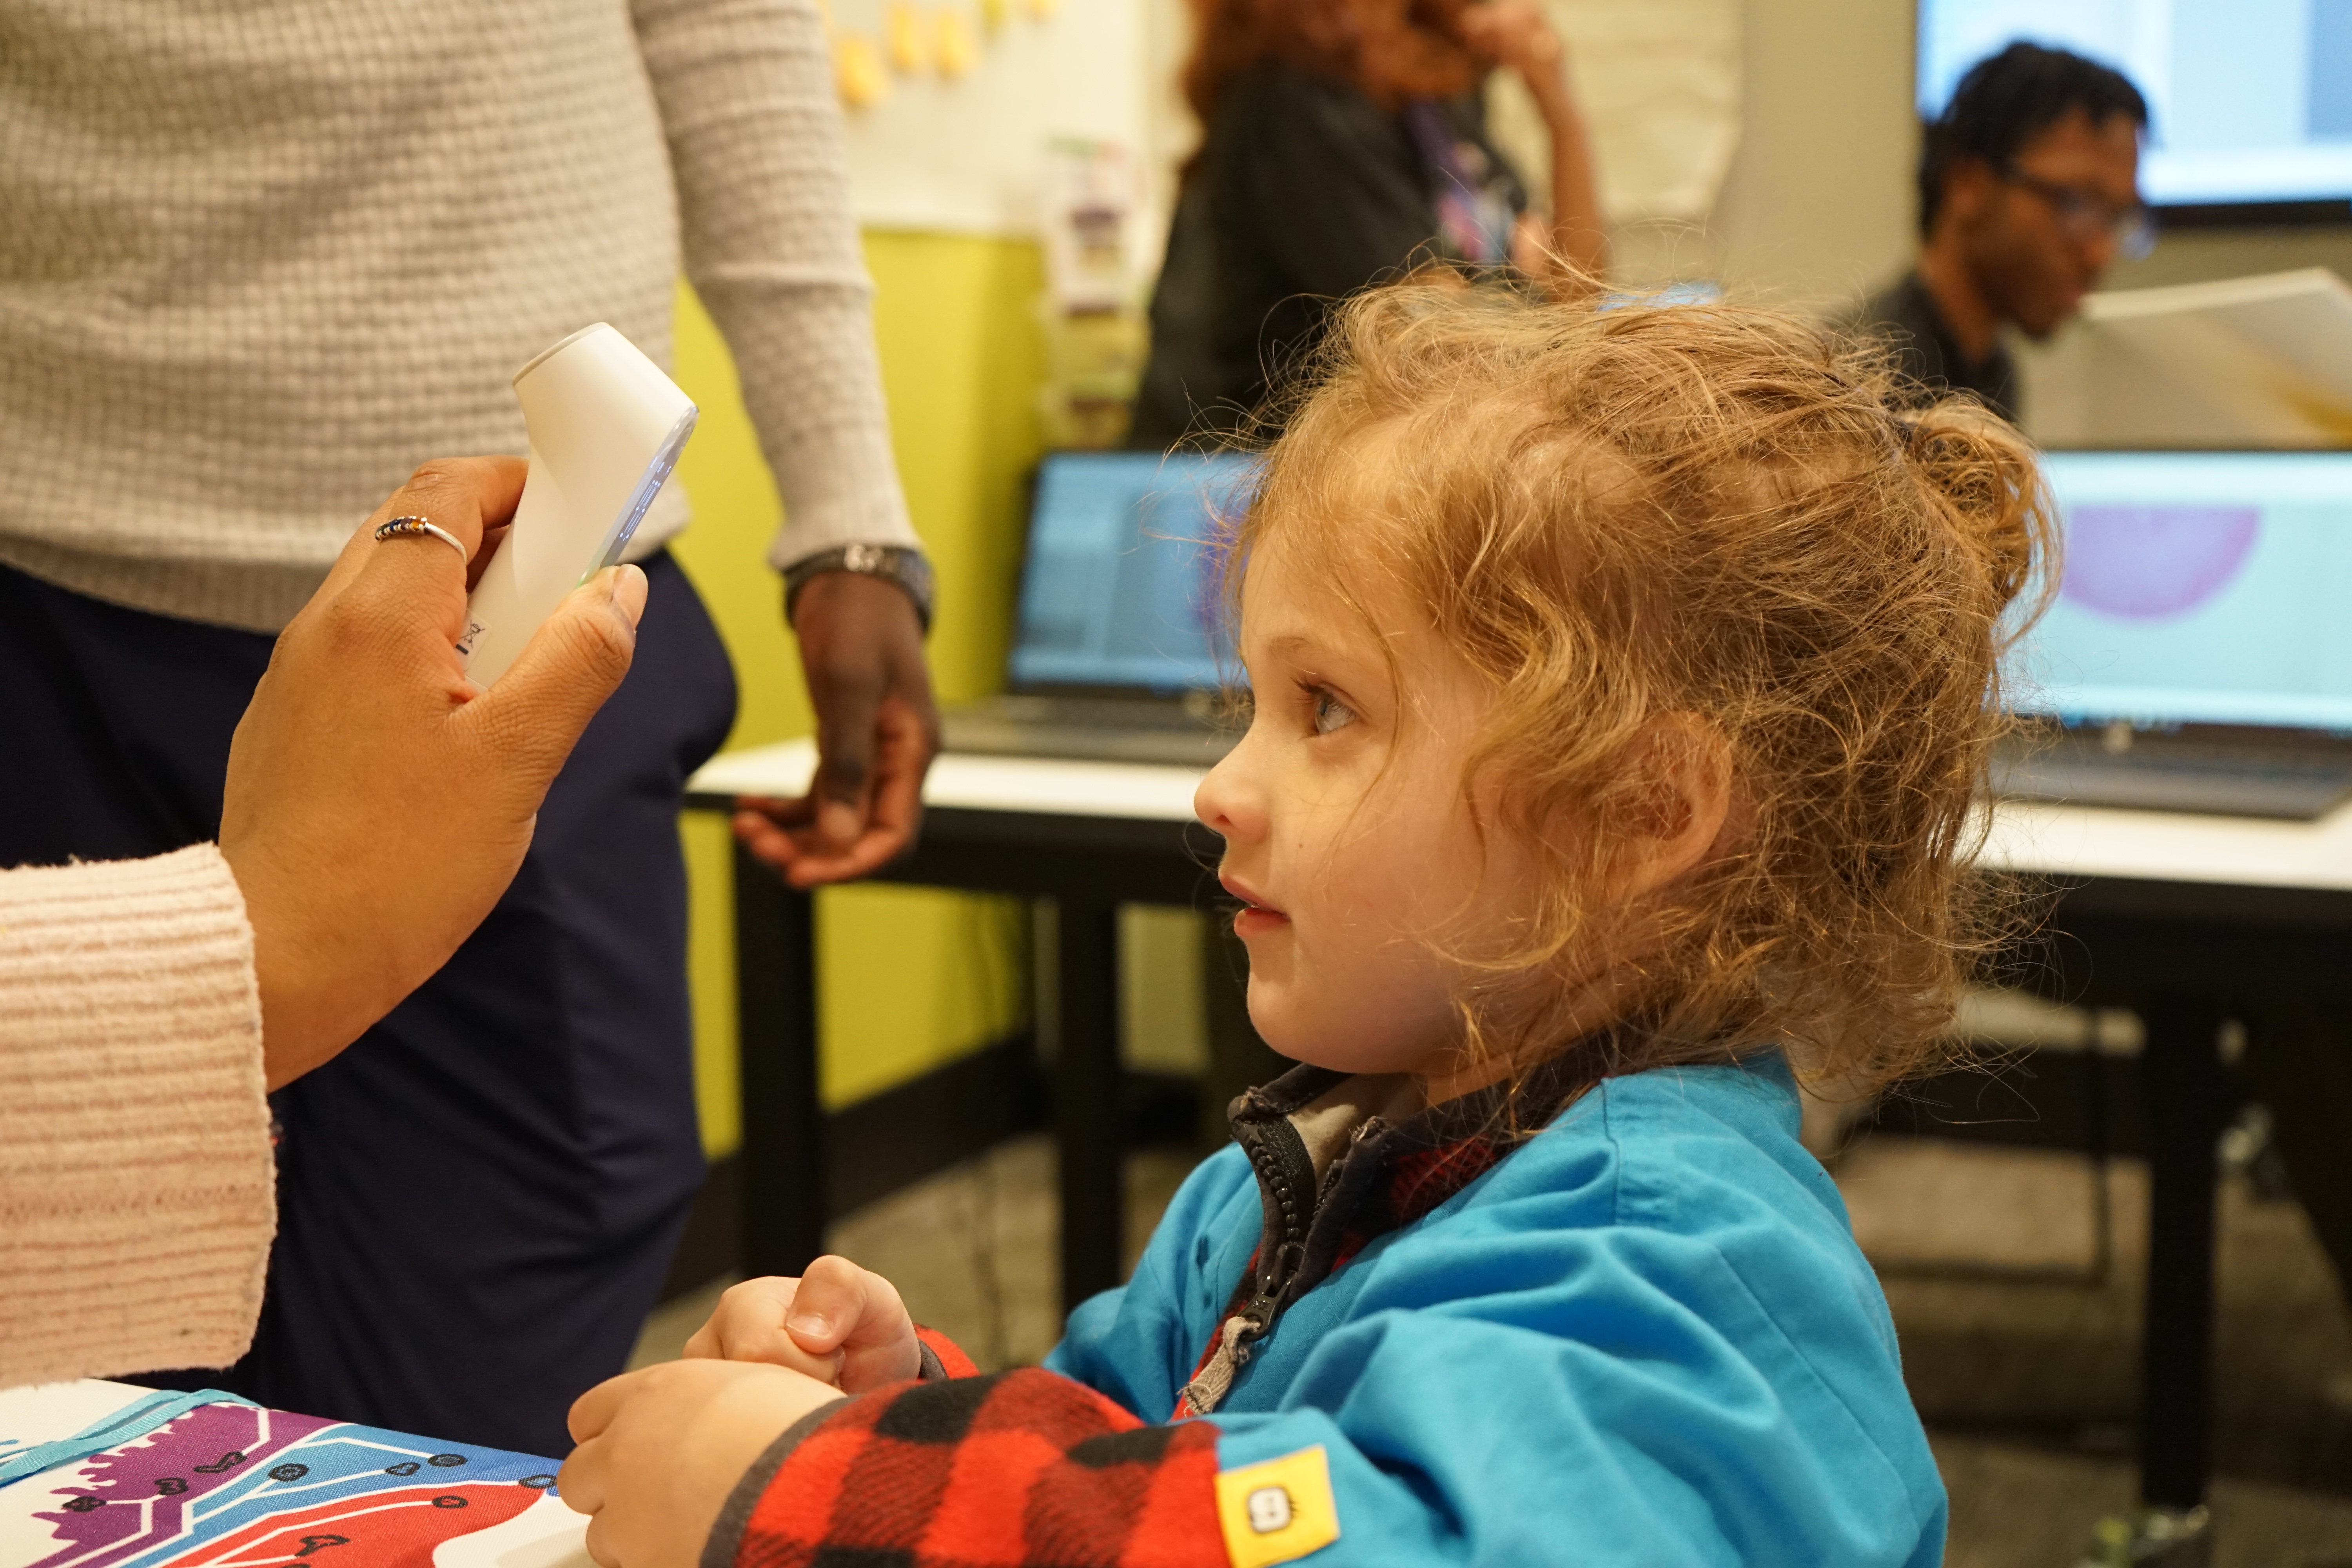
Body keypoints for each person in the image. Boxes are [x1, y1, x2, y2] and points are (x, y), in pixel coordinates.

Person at [556, 278, 2053, 1567]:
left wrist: (801, 1490)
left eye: (1325, 708)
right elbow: (1131, 1466)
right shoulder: (1290, 1171)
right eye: (1249, 704)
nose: (1220, 784)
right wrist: (894, 1407)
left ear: (1639, 812)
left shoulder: (1670, 1263)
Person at [0, 0, 933, 1453]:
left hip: (533, 608)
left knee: (508, 1296)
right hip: (53, 605)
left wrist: (851, 522)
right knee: (85, 1377)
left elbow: (726, 27)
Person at [3, 459, 641, 1390]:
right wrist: (277, 939)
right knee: (111, 1395)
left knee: (518, 1251)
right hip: (58, 607)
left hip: (506, 621)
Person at [1128, 0, 1607, 449]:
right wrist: (1523, 294)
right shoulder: (1294, 104)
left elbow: (1578, 295)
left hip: (1417, 448)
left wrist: (1560, 115)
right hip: (1269, 479)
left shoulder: (1431, 98)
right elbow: (1437, 346)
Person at [1855, 40, 2151, 423]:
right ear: (1967, 183)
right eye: (2077, 204)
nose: (2101, 252)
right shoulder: (1861, 385)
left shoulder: (1993, 371)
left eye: (2119, 218)